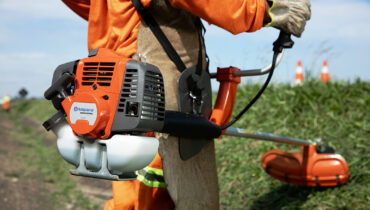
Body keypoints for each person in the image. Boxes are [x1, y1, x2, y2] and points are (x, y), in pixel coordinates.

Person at [61, 0, 311, 209]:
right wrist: (273, 9)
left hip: (115, 91)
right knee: (165, 185)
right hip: (153, 90)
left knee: (132, 189)